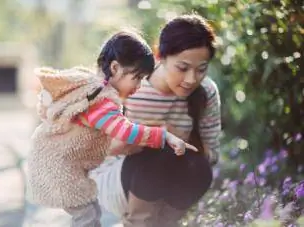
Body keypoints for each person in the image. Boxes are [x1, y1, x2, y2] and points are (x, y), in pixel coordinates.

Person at [27, 31, 197, 227]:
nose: (140, 86)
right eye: (137, 77)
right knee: (87, 217)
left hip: (58, 163)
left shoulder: (93, 89)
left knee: (89, 212)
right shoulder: (100, 99)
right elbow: (125, 131)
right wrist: (165, 136)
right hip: (59, 167)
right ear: (115, 68)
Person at [90, 14, 221, 227]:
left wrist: (180, 140)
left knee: (199, 167)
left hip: (171, 180)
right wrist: (152, 135)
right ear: (161, 56)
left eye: (201, 70)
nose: (191, 79)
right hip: (117, 179)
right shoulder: (132, 87)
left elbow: (212, 154)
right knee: (157, 155)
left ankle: (166, 223)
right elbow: (91, 151)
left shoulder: (206, 92)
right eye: (182, 68)